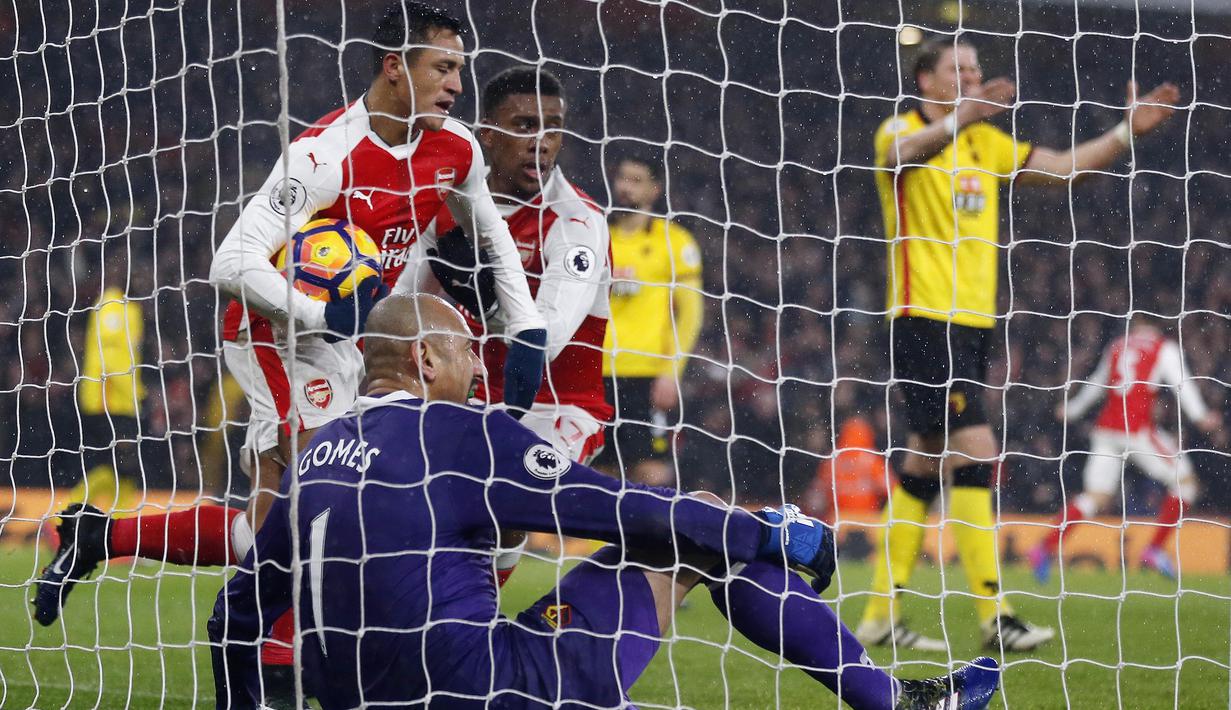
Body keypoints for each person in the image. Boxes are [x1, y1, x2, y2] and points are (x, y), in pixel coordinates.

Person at [34, 1, 546, 700]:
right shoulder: (322, 155)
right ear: (395, 68)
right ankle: (277, 665)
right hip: (273, 333)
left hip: (353, 341)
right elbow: (231, 261)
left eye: (460, 68)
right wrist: (319, 311)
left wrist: (526, 328)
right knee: (322, 486)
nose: (457, 84)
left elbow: (491, 239)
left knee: (269, 525)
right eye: (443, 67)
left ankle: (100, 539)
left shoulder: (455, 149)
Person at [208, 293, 1001, 710]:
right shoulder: (459, 432)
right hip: (492, 692)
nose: (480, 373)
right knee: (701, 525)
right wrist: (767, 532)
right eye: (465, 355)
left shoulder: (315, 460)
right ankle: (898, 704)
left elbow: (232, 619)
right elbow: (628, 512)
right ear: (423, 358)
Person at [859, 35, 1180, 652]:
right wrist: (961, 118)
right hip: (924, 318)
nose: (971, 75)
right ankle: (995, 616)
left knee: (925, 462)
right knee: (976, 450)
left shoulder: (985, 142)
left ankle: (879, 615)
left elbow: (1060, 167)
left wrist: (1126, 133)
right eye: (957, 68)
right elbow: (901, 156)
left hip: (973, 325)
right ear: (925, 80)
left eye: (975, 68)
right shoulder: (900, 130)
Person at [395, 66, 612, 584]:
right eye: (525, 125)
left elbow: (548, 339)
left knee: (505, 496)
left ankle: (475, 613)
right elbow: (400, 305)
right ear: (487, 135)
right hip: (464, 399)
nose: (542, 142)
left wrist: (486, 299)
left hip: (556, 406)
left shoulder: (576, 221)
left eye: (553, 128)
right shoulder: (448, 207)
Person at [1029, 317, 1222, 582]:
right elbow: (1182, 384)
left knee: (1096, 496)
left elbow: (1097, 384)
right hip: (1137, 429)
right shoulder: (1163, 347)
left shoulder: (1118, 345)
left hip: (1106, 430)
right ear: (1159, 325)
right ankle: (1154, 549)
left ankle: (1044, 547)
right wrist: (1201, 416)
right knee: (1186, 483)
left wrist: (1072, 410)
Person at [596, 156, 703, 486]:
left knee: (651, 473)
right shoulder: (596, 236)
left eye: (636, 180)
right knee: (598, 473)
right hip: (597, 372)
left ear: (654, 190)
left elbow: (691, 314)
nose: (625, 187)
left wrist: (672, 371)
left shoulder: (674, 241)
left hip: (646, 375)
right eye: (622, 178)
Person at [70, 243, 144, 513]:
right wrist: (134, 393)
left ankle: (117, 525)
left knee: (123, 469)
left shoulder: (128, 307)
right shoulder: (112, 304)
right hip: (110, 398)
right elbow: (109, 355)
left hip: (120, 400)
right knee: (114, 465)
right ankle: (63, 516)